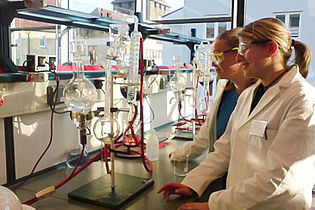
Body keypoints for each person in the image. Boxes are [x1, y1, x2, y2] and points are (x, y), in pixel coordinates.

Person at [158, 17, 315, 210]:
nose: (239, 58)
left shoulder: (303, 100)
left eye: (244, 49)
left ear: (271, 49)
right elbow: (225, 149)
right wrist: (193, 183)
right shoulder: (249, 93)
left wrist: (214, 205)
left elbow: (281, 179)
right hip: (240, 203)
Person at [170, 27, 255, 162]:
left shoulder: (259, 95)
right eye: (213, 56)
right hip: (218, 169)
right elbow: (206, 135)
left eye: (218, 56)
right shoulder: (224, 87)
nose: (214, 63)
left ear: (239, 53)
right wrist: (180, 154)